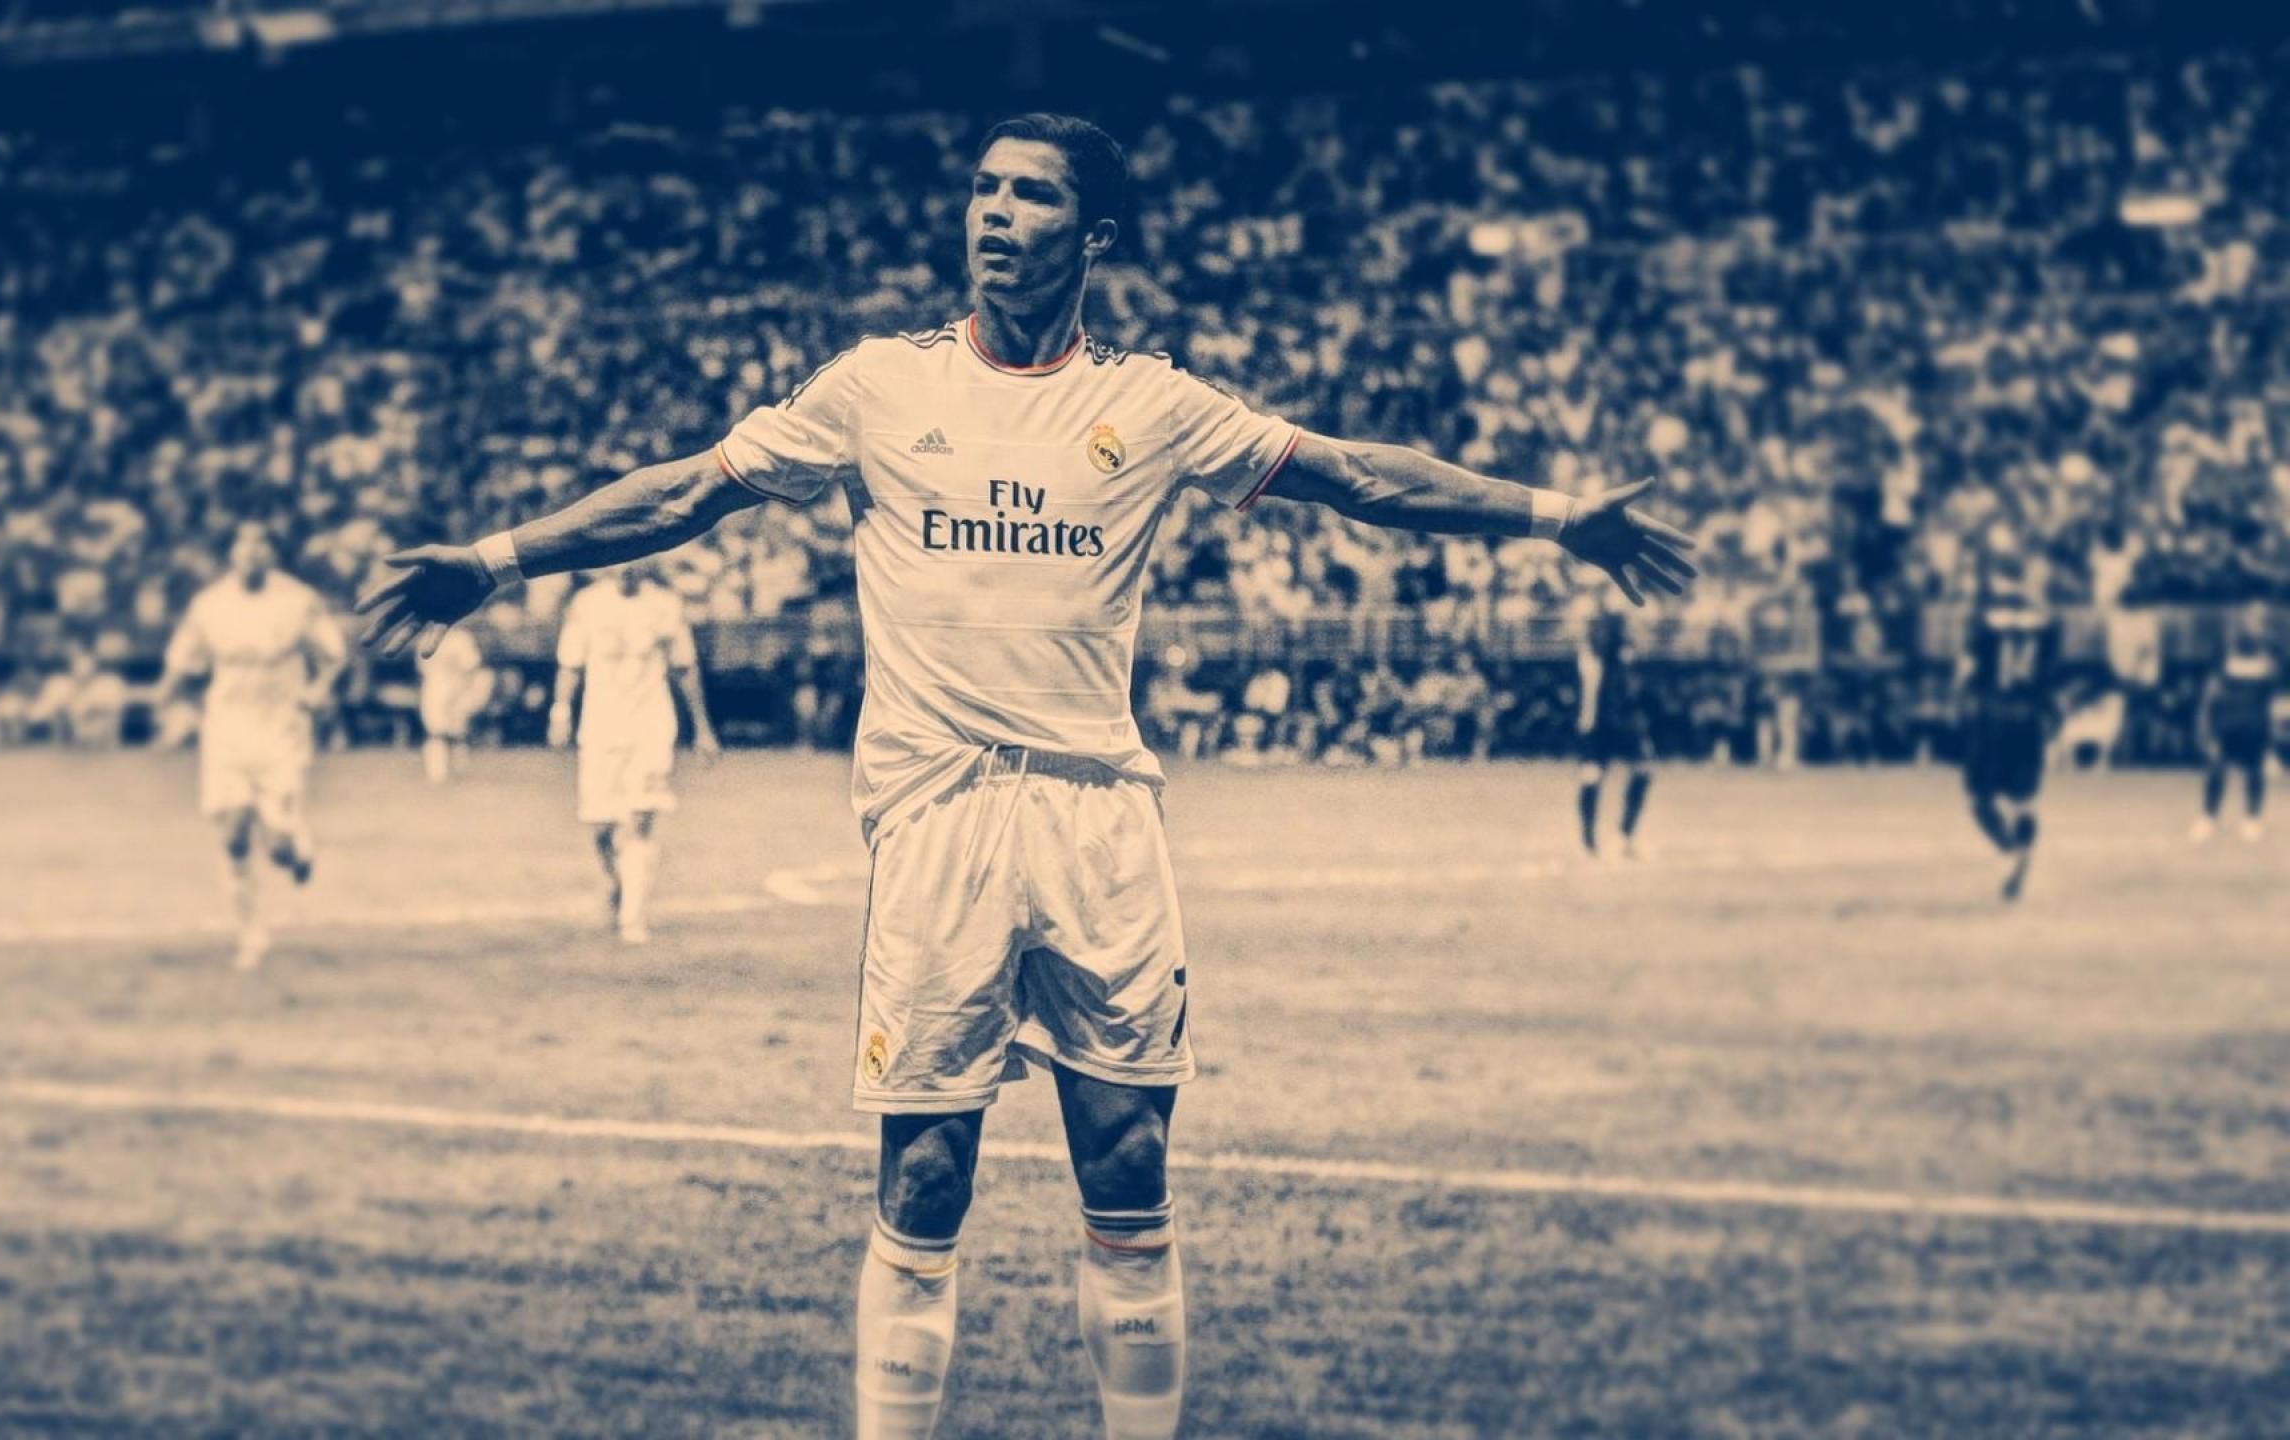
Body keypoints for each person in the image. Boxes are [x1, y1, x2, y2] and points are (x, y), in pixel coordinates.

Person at [354, 112, 1694, 1440]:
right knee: (925, 1178)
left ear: (1092, 233)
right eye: (984, 190)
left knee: (1130, 1169)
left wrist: (1556, 516)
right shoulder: (878, 385)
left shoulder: (1151, 405)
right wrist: (493, 560)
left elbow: (1354, 478)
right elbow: (686, 493)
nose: (994, 215)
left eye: (1032, 196)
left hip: (1101, 818)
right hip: (941, 817)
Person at [156, 520, 347, 970]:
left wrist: (319, 688)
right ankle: (250, 933)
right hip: (226, 727)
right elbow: (183, 662)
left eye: (262, 542)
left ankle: (297, 849)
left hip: (282, 728)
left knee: (277, 846)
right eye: (244, 542)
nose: (252, 550)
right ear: (232, 553)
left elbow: (334, 656)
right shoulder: (209, 605)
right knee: (234, 833)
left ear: (273, 553)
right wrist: (165, 704)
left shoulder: (299, 601)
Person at [545, 561, 721, 945]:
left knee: (643, 815)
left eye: (634, 561)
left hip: (652, 725)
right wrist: (560, 711)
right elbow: (570, 664)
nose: (626, 569)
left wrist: (703, 729)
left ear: (647, 562)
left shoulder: (666, 606)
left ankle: (633, 916)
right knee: (600, 825)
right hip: (600, 727)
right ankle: (617, 883)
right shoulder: (586, 604)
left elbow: (685, 668)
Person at [1956, 552, 2056, 902]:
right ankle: (2022, 851)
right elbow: (2050, 670)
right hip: (2030, 716)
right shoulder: (2045, 619)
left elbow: (1966, 668)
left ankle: (2008, 849)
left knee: (1980, 799)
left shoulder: (1983, 615)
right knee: (2024, 801)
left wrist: (1961, 698)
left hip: (1992, 713)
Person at [2190, 603, 2276, 844]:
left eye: (2261, 618)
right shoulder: (2225, 652)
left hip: (2256, 724)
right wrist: (2205, 722)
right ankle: (2208, 818)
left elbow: (2275, 694)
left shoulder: (2273, 654)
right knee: (2216, 768)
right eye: (2252, 617)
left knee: (2255, 771)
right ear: (2243, 620)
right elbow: (2211, 690)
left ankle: (2252, 819)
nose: (2256, 622)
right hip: (2226, 723)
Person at [1575, 602, 1654, 858]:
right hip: (1608, 720)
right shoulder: (1605, 650)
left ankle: (1602, 839)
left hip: (1614, 719)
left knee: (1635, 772)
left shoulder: (1609, 651)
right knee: (1598, 774)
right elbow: (1594, 677)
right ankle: (1610, 838)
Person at [415, 624, 492, 784]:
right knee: (435, 731)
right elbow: (423, 667)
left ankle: (460, 771)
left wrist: (464, 689)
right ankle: (436, 772)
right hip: (434, 688)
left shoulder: (461, 638)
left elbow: (471, 666)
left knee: (458, 732)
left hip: (458, 687)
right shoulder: (427, 638)